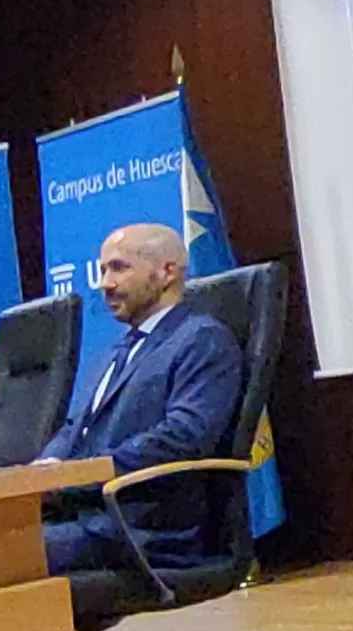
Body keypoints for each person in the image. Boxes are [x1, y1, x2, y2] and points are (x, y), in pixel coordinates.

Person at [36, 222, 245, 575]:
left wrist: (86, 474)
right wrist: (39, 475)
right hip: (80, 517)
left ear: (167, 272)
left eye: (118, 268)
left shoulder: (202, 339)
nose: (105, 283)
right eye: (103, 270)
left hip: (140, 528)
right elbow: (76, 429)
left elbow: (184, 436)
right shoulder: (116, 352)